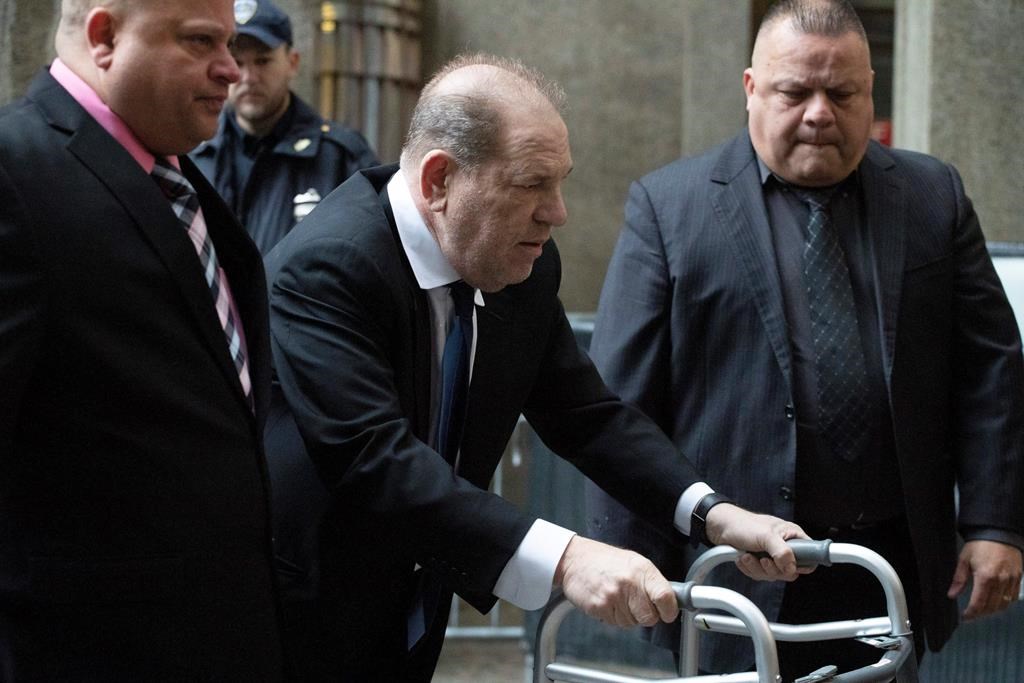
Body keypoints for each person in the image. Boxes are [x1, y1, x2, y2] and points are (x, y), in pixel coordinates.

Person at [263, 52, 811, 682]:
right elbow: (374, 459)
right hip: (298, 614)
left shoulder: (517, 260)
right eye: (530, 184)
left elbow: (585, 415)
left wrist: (712, 514)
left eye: (561, 182)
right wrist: (567, 558)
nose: (557, 212)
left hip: (413, 606)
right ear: (439, 181)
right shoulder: (326, 267)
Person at [585, 0, 1024, 679]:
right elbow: (622, 401)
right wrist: (624, 556)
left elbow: (990, 368)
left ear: (870, 91)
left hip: (892, 566)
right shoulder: (670, 209)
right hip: (732, 575)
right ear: (751, 88)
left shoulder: (932, 196)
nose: (820, 113)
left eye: (841, 94)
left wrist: (996, 523)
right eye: (795, 92)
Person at [0, 0, 286, 679]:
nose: (230, 70)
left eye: (230, 43)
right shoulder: (16, 172)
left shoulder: (170, 171)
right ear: (104, 36)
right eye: (200, 42)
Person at [191, 0, 379, 256]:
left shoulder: (340, 157)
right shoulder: (192, 152)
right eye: (238, 62)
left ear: (292, 63)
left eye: (263, 61)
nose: (249, 78)